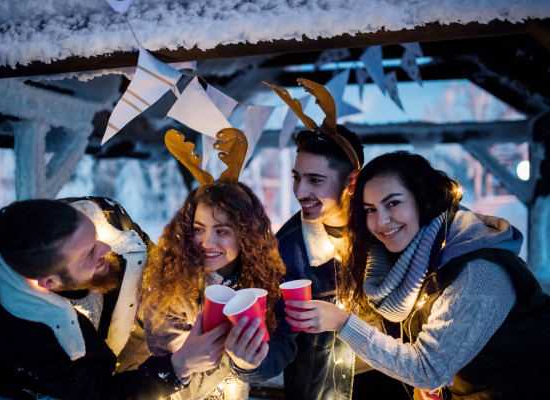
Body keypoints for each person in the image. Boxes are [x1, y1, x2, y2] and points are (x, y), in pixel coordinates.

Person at [284, 151, 550, 399]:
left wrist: (344, 323)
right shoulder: (421, 260)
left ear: (424, 199)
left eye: (393, 203)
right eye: (370, 210)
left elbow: (428, 369)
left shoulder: (479, 272)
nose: (381, 221)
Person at [234, 79, 409, 399]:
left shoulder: (389, 231)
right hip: (325, 390)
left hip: (398, 383)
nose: (300, 192)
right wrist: (249, 361)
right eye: (297, 177)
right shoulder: (288, 248)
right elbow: (280, 339)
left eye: (315, 180)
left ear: (352, 182)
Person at [0, 197, 198, 400]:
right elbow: (98, 392)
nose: (106, 249)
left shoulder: (103, 217)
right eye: (89, 254)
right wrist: (179, 367)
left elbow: (157, 265)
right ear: (49, 283)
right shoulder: (25, 332)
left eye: (95, 235)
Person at [142, 128, 288, 400]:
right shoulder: (171, 285)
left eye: (221, 231)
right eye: (199, 229)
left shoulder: (261, 284)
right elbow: (168, 371)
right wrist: (234, 355)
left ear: (246, 235)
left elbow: (281, 349)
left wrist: (250, 361)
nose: (207, 242)